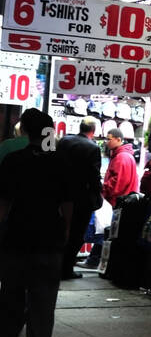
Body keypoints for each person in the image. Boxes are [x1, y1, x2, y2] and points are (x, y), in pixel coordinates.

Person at [0, 109, 74, 337]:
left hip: (17, 234)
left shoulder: (13, 160)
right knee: (44, 293)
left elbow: (4, 204)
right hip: (49, 235)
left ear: (25, 131)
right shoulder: (61, 161)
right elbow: (67, 203)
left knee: (12, 290)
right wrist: (65, 229)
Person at [57, 119, 103, 280]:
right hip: (81, 198)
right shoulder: (93, 148)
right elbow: (94, 176)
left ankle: (57, 265)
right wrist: (98, 194)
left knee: (61, 230)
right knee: (77, 234)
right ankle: (66, 268)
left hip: (61, 194)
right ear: (93, 130)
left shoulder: (64, 141)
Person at [101, 128, 139, 208]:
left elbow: (117, 182)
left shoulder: (121, 157)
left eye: (109, 139)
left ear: (118, 140)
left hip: (118, 203)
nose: (106, 142)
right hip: (123, 201)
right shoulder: (123, 154)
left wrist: (103, 189)